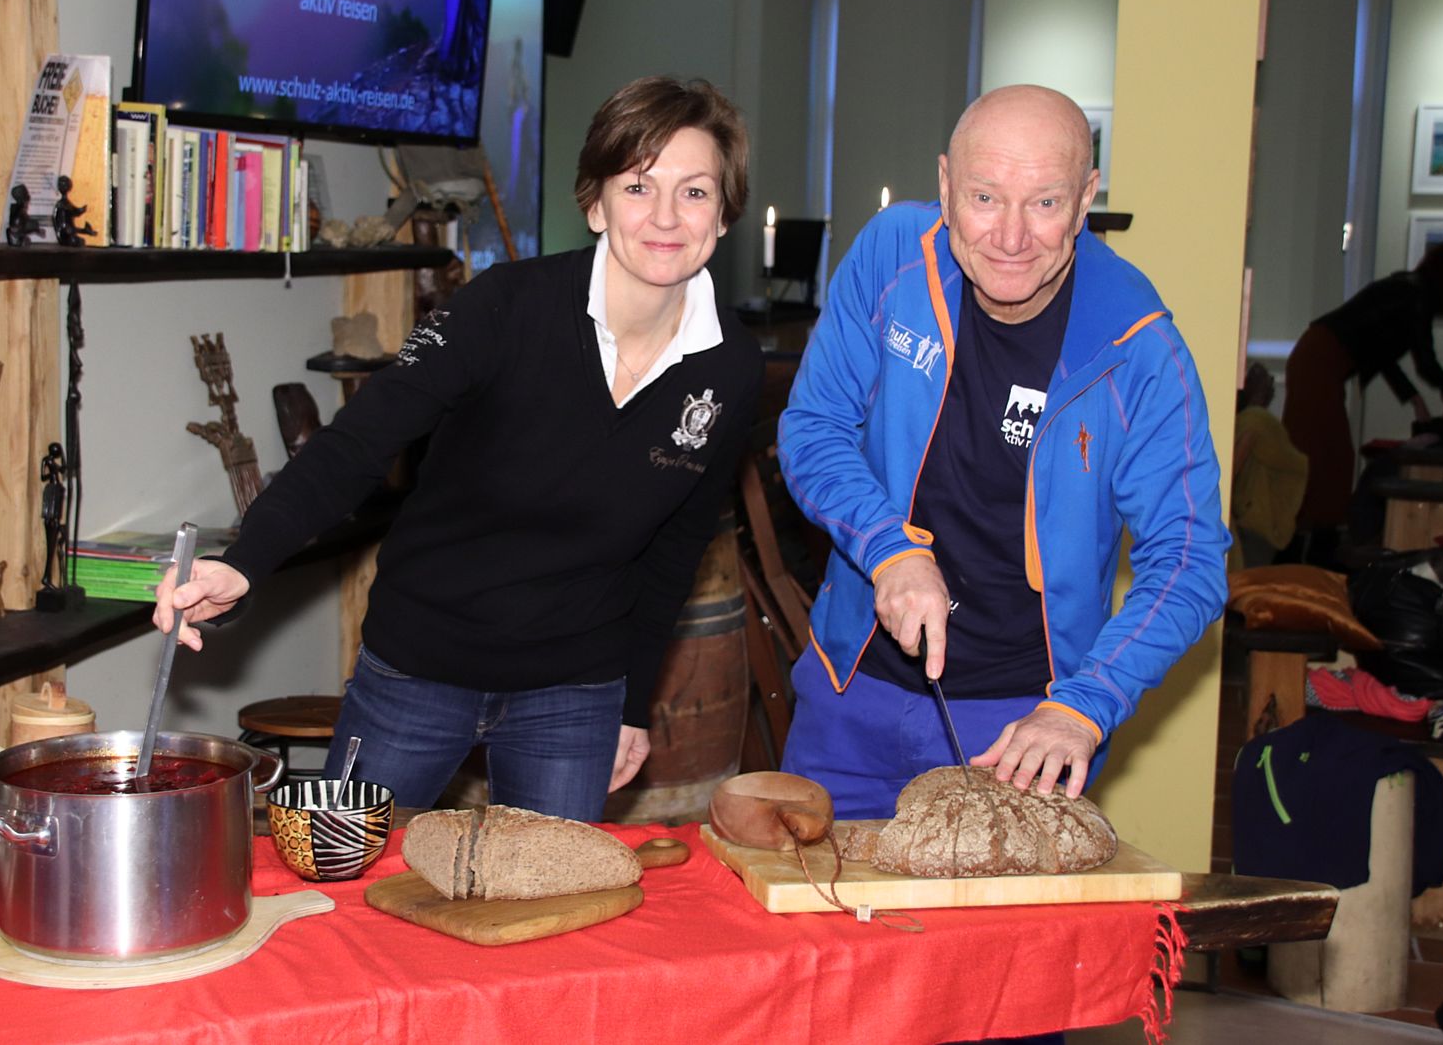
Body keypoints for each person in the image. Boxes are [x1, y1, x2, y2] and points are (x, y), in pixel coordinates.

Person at [156, 77, 763, 821]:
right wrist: (244, 560)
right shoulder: (503, 307)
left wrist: (632, 704)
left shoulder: (730, 365)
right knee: (350, 890)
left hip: (573, 692)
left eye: (695, 191)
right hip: (418, 667)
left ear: (725, 211)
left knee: (542, 916)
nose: (666, 216)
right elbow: (358, 442)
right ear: (597, 204)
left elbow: (674, 549)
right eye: (638, 185)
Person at [776, 84, 1228, 818]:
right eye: (985, 197)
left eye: (1045, 203)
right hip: (850, 693)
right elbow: (814, 427)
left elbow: (1188, 559)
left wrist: (1085, 706)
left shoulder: (1139, 348)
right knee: (815, 929)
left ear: (1086, 199)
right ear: (947, 186)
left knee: (997, 939)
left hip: (1022, 729)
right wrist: (891, 550)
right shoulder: (893, 253)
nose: (1011, 238)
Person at [1281, 237, 1443, 545]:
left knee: (1327, 456)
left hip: (1319, 357)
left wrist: (1416, 399)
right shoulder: (1416, 297)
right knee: (1322, 456)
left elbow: (1382, 354)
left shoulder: (1408, 290)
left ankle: (1310, 541)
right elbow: (1425, 359)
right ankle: (1306, 544)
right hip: (1320, 361)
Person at [1230, 362, 1307, 569]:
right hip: (1254, 524)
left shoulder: (1255, 422)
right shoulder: (1253, 421)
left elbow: (1228, 477)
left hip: (1253, 527)